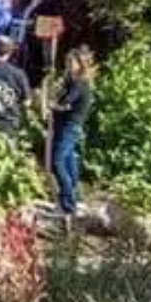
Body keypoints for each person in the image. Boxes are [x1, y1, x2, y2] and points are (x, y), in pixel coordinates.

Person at [50, 46, 96, 219]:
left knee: (57, 162)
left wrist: (53, 105)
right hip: (69, 126)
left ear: (79, 64)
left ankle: (68, 204)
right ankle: (77, 198)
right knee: (70, 162)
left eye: (71, 62)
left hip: (70, 127)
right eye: (67, 62)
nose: (68, 65)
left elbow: (66, 102)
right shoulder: (72, 81)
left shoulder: (79, 82)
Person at [11, 0, 53, 88]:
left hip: (36, 42)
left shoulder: (47, 5)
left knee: (31, 67)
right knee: (19, 64)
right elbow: (16, 14)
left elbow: (46, 24)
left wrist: (32, 24)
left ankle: (30, 88)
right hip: (20, 38)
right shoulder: (25, 3)